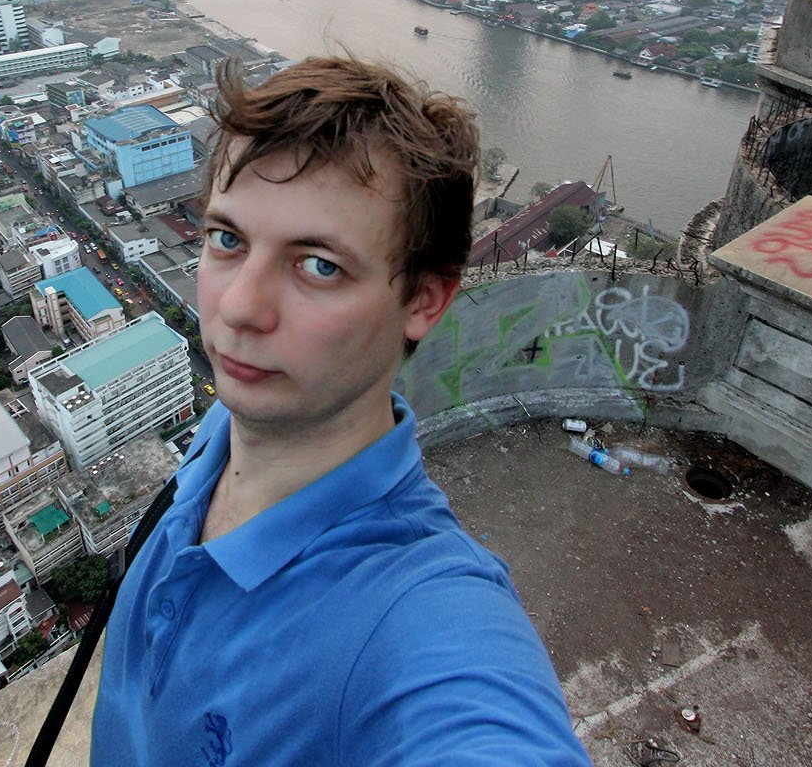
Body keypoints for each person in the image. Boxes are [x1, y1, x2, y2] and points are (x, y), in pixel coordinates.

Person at [91, 56, 588, 765]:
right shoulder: (223, 436)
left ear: (423, 300)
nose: (238, 308)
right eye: (227, 239)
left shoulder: (409, 615)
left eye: (318, 264)